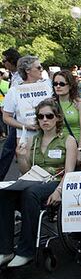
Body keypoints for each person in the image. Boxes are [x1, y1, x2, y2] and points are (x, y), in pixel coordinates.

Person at [0, 98, 77, 267]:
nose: (45, 120)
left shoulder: (67, 140)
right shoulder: (33, 140)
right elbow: (25, 170)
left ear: (57, 117)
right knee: (4, 193)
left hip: (55, 181)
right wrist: (20, 156)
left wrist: (59, 191)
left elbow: (69, 172)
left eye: (49, 116)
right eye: (40, 117)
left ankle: (26, 251)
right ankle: (5, 250)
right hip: (34, 180)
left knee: (30, 193)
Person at [3, 56, 53, 163]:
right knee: (27, 170)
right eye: (38, 67)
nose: (42, 70)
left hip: (50, 135)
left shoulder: (48, 85)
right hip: (25, 137)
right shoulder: (14, 91)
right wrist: (25, 126)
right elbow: (6, 117)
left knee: (51, 167)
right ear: (27, 70)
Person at [52, 70, 81, 163]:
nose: (58, 86)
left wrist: (80, 150)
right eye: (55, 84)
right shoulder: (50, 103)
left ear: (70, 85)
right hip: (57, 146)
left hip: (75, 145)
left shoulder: (79, 103)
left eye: (62, 84)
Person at [0, 48, 22, 181]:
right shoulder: (13, 76)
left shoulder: (21, 77)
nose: (3, 63)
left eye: (4, 60)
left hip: (20, 118)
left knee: (8, 149)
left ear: (12, 61)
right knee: (11, 149)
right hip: (13, 117)